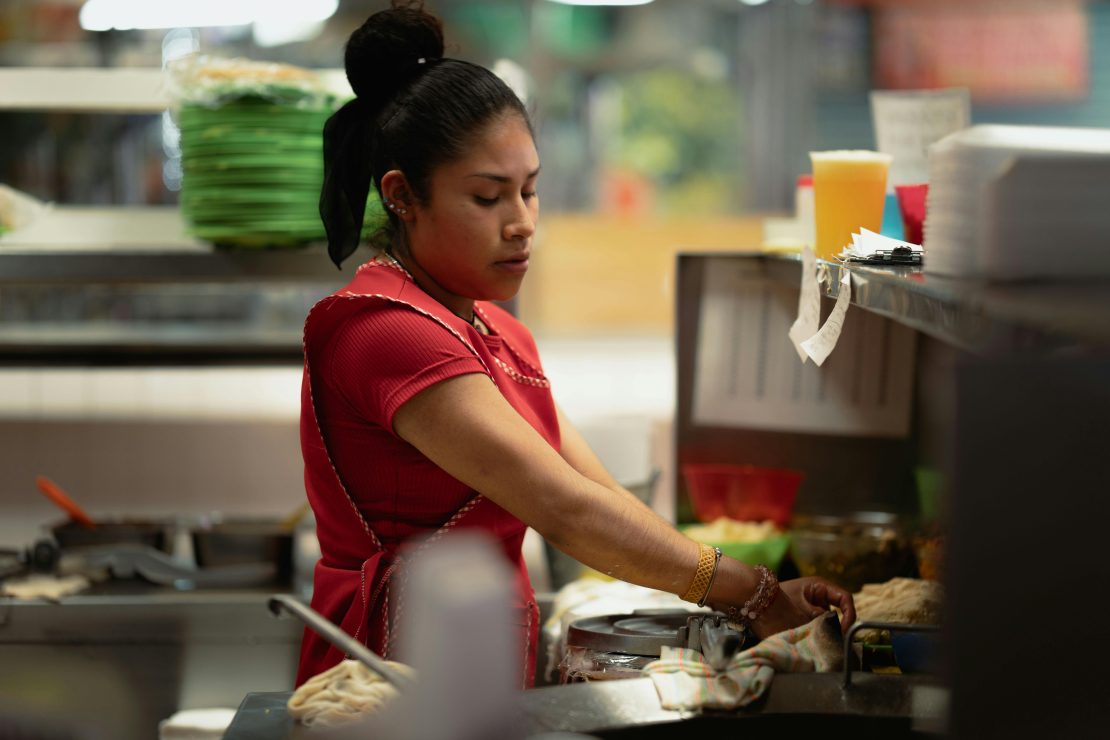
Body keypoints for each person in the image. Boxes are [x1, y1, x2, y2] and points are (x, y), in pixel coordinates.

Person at [297, 0, 856, 688]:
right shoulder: (385, 332)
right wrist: (755, 593)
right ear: (403, 197)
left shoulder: (498, 334)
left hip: (473, 665)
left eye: (530, 192)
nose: (521, 223)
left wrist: (751, 589)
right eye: (487, 198)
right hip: (387, 681)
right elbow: (566, 509)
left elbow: (602, 494)